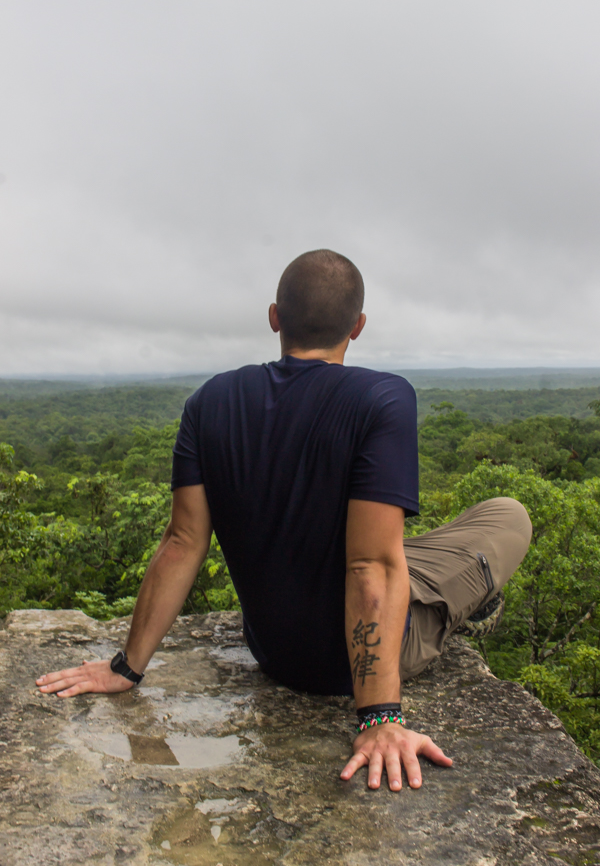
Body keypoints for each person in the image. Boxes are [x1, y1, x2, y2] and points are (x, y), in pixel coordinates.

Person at [36, 249, 532, 793]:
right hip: (346, 666)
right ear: (358, 326)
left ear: (275, 317)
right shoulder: (382, 397)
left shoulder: (209, 401)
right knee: (506, 515)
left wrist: (126, 668)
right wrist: (379, 719)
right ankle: (454, 613)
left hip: (272, 652)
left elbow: (181, 541)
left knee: (393, 549)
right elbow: (369, 565)